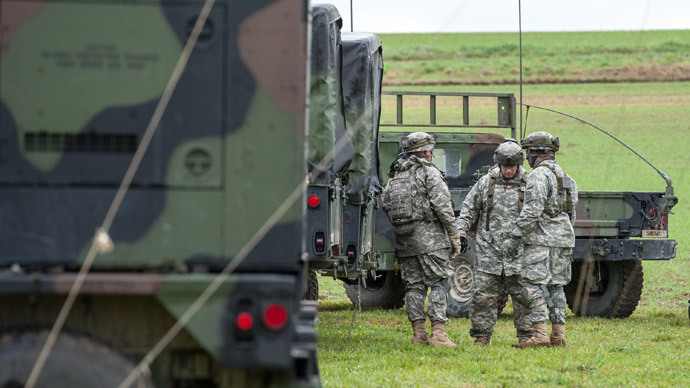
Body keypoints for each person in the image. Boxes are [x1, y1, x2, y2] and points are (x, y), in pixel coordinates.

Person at [381, 132, 463, 347]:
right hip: (431, 240)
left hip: (405, 239)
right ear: (428, 151)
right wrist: (454, 235)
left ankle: (419, 334)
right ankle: (439, 335)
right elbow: (444, 207)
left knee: (414, 286)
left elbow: (385, 203)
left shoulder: (396, 175)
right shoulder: (429, 173)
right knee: (438, 283)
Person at [503, 131, 578, 348]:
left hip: (541, 239)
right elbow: (571, 212)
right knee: (556, 286)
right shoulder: (567, 177)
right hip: (563, 238)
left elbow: (531, 210)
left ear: (537, 152)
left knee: (531, 283)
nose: (526, 156)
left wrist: (514, 238)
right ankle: (558, 335)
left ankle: (539, 334)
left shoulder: (538, 175)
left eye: (528, 151)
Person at [455, 140, 533, 346]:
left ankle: (526, 335)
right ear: (498, 164)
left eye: (512, 167)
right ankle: (481, 335)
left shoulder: (530, 183)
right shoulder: (485, 183)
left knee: (524, 296)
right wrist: (460, 233)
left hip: (520, 251)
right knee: (483, 296)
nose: (508, 171)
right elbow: (468, 210)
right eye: (505, 166)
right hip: (489, 251)